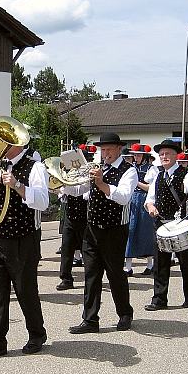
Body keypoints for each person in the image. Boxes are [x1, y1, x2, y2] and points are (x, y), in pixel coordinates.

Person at [0, 127, 49, 360]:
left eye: (3, 139)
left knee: (26, 290)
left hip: (24, 237)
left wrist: (17, 185)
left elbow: (43, 202)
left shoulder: (35, 166)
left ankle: (36, 334)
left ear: (17, 142)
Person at [67, 132, 137, 334]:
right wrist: (63, 184)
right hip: (92, 229)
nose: (104, 153)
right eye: (102, 149)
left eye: (108, 149)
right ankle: (90, 320)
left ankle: (125, 313)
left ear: (118, 149)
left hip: (114, 230)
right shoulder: (96, 168)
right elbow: (80, 191)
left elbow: (123, 197)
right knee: (91, 275)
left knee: (115, 274)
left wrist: (101, 184)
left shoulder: (128, 171)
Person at [144, 139, 188, 311]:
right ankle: (159, 299)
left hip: (180, 225)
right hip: (161, 226)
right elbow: (149, 200)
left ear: (176, 156)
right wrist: (150, 207)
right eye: (162, 154)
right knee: (160, 264)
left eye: (168, 154)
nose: (164, 157)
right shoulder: (157, 176)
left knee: (186, 263)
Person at [56, 149, 90, 291]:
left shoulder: (89, 176)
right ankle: (66, 278)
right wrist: (61, 185)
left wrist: (67, 185)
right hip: (70, 215)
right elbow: (63, 195)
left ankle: (91, 278)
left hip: (85, 217)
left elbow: (83, 194)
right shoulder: (69, 174)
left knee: (87, 250)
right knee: (66, 248)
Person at [124, 143, 155, 276]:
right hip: (131, 200)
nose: (135, 157)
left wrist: (136, 182)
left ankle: (150, 264)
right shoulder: (131, 167)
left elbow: (150, 188)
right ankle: (128, 267)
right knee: (129, 231)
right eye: (134, 155)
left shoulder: (152, 169)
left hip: (144, 201)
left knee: (145, 232)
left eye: (138, 155)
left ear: (144, 156)